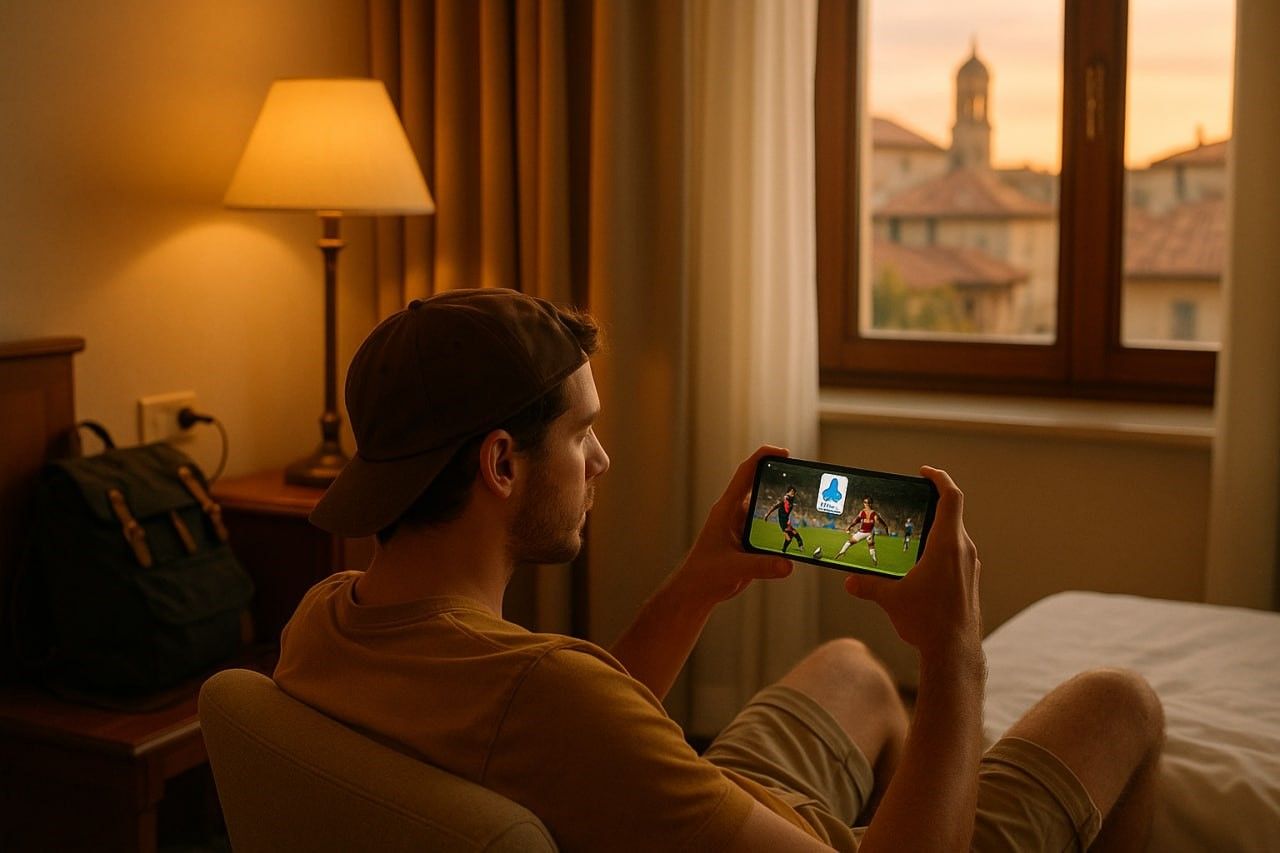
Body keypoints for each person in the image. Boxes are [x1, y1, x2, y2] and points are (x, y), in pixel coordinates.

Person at [275, 288, 1165, 852]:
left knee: (852, 667)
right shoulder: (551, 695)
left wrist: (701, 578)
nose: (602, 461)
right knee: (1122, 702)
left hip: (685, 816)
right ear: (501, 465)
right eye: (581, 433)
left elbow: (564, 736)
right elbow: (571, 715)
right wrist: (954, 651)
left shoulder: (323, 622)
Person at [833, 497, 886, 566]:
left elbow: (856, 521)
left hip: (862, 532)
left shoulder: (862, 512)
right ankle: (874, 558)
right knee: (871, 546)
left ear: (869, 504)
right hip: (870, 533)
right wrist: (885, 526)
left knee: (849, 542)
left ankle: (841, 552)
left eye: (865, 502)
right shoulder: (874, 513)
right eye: (864, 502)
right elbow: (879, 521)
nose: (864, 504)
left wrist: (849, 527)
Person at [764, 485, 805, 554]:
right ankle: (786, 550)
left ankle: (794, 548)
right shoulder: (785, 500)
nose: (792, 493)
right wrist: (767, 515)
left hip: (786, 521)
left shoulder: (791, 501)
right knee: (791, 537)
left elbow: (788, 502)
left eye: (793, 492)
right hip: (783, 522)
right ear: (788, 492)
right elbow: (775, 507)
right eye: (791, 491)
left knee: (793, 536)